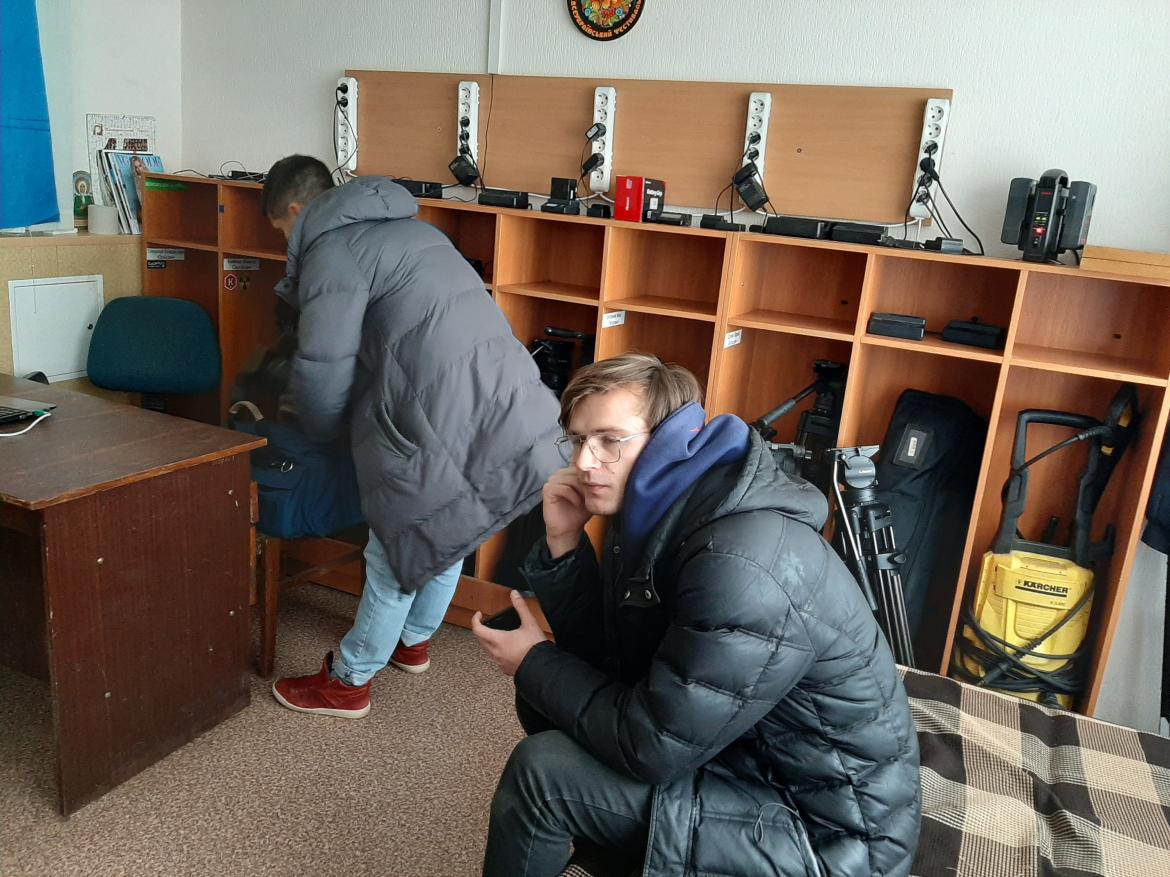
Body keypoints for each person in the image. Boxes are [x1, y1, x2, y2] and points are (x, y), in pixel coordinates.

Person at [472, 353, 921, 877]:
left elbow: (652, 746)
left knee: (543, 775)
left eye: (610, 440)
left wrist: (533, 662)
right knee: (545, 702)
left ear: (668, 441)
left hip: (828, 834)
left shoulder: (739, 563)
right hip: (749, 757)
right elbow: (614, 660)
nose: (585, 462)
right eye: (577, 440)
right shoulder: (668, 508)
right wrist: (564, 543)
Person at [263, 155, 561, 718]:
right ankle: (413, 641)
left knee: (396, 546)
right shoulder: (413, 229)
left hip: (439, 407)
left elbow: (324, 364)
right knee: (449, 528)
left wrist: (318, 436)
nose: (286, 244)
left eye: (281, 231)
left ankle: (349, 681)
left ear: (297, 210)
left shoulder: (332, 249)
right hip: (502, 396)